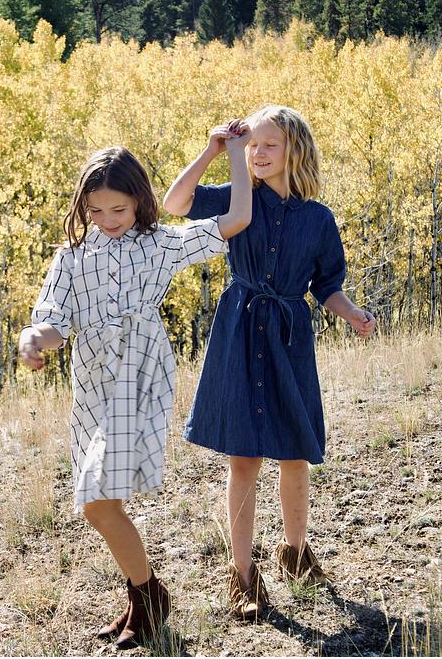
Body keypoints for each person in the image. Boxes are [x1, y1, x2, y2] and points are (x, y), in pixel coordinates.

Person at [19, 134, 251, 648]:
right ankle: (143, 599)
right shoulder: (72, 257)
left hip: (140, 375)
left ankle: (148, 597)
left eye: (118, 209)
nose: (107, 219)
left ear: (140, 200)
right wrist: (32, 339)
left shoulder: (159, 244)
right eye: (96, 210)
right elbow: (54, 322)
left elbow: (236, 219)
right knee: (105, 501)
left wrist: (227, 153)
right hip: (92, 385)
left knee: (95, 500)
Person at [163, 105, 375, 620]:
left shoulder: (318, 219)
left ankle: (296, 554)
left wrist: (351, 313)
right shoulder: (237, 197)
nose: (257, 153)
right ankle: (242, 576)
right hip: (239, 331)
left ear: (294, 150)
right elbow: (175, 202)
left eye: (269, 144)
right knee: (244, 458)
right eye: (253, 145)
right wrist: (213, 150)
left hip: (288, 338)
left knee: (294, 453)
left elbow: (327, 285)